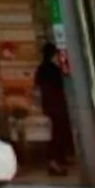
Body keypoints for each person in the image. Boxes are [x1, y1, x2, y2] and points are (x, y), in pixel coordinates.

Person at [35, 43, 74, 177]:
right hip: (57, 105)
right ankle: (54, 160)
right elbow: (62, 83)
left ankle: (59, 157)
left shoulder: (41, 69)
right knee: (58, 132)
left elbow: (38, 87)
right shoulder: (53, 69)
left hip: (49, 105)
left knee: (57, 131)